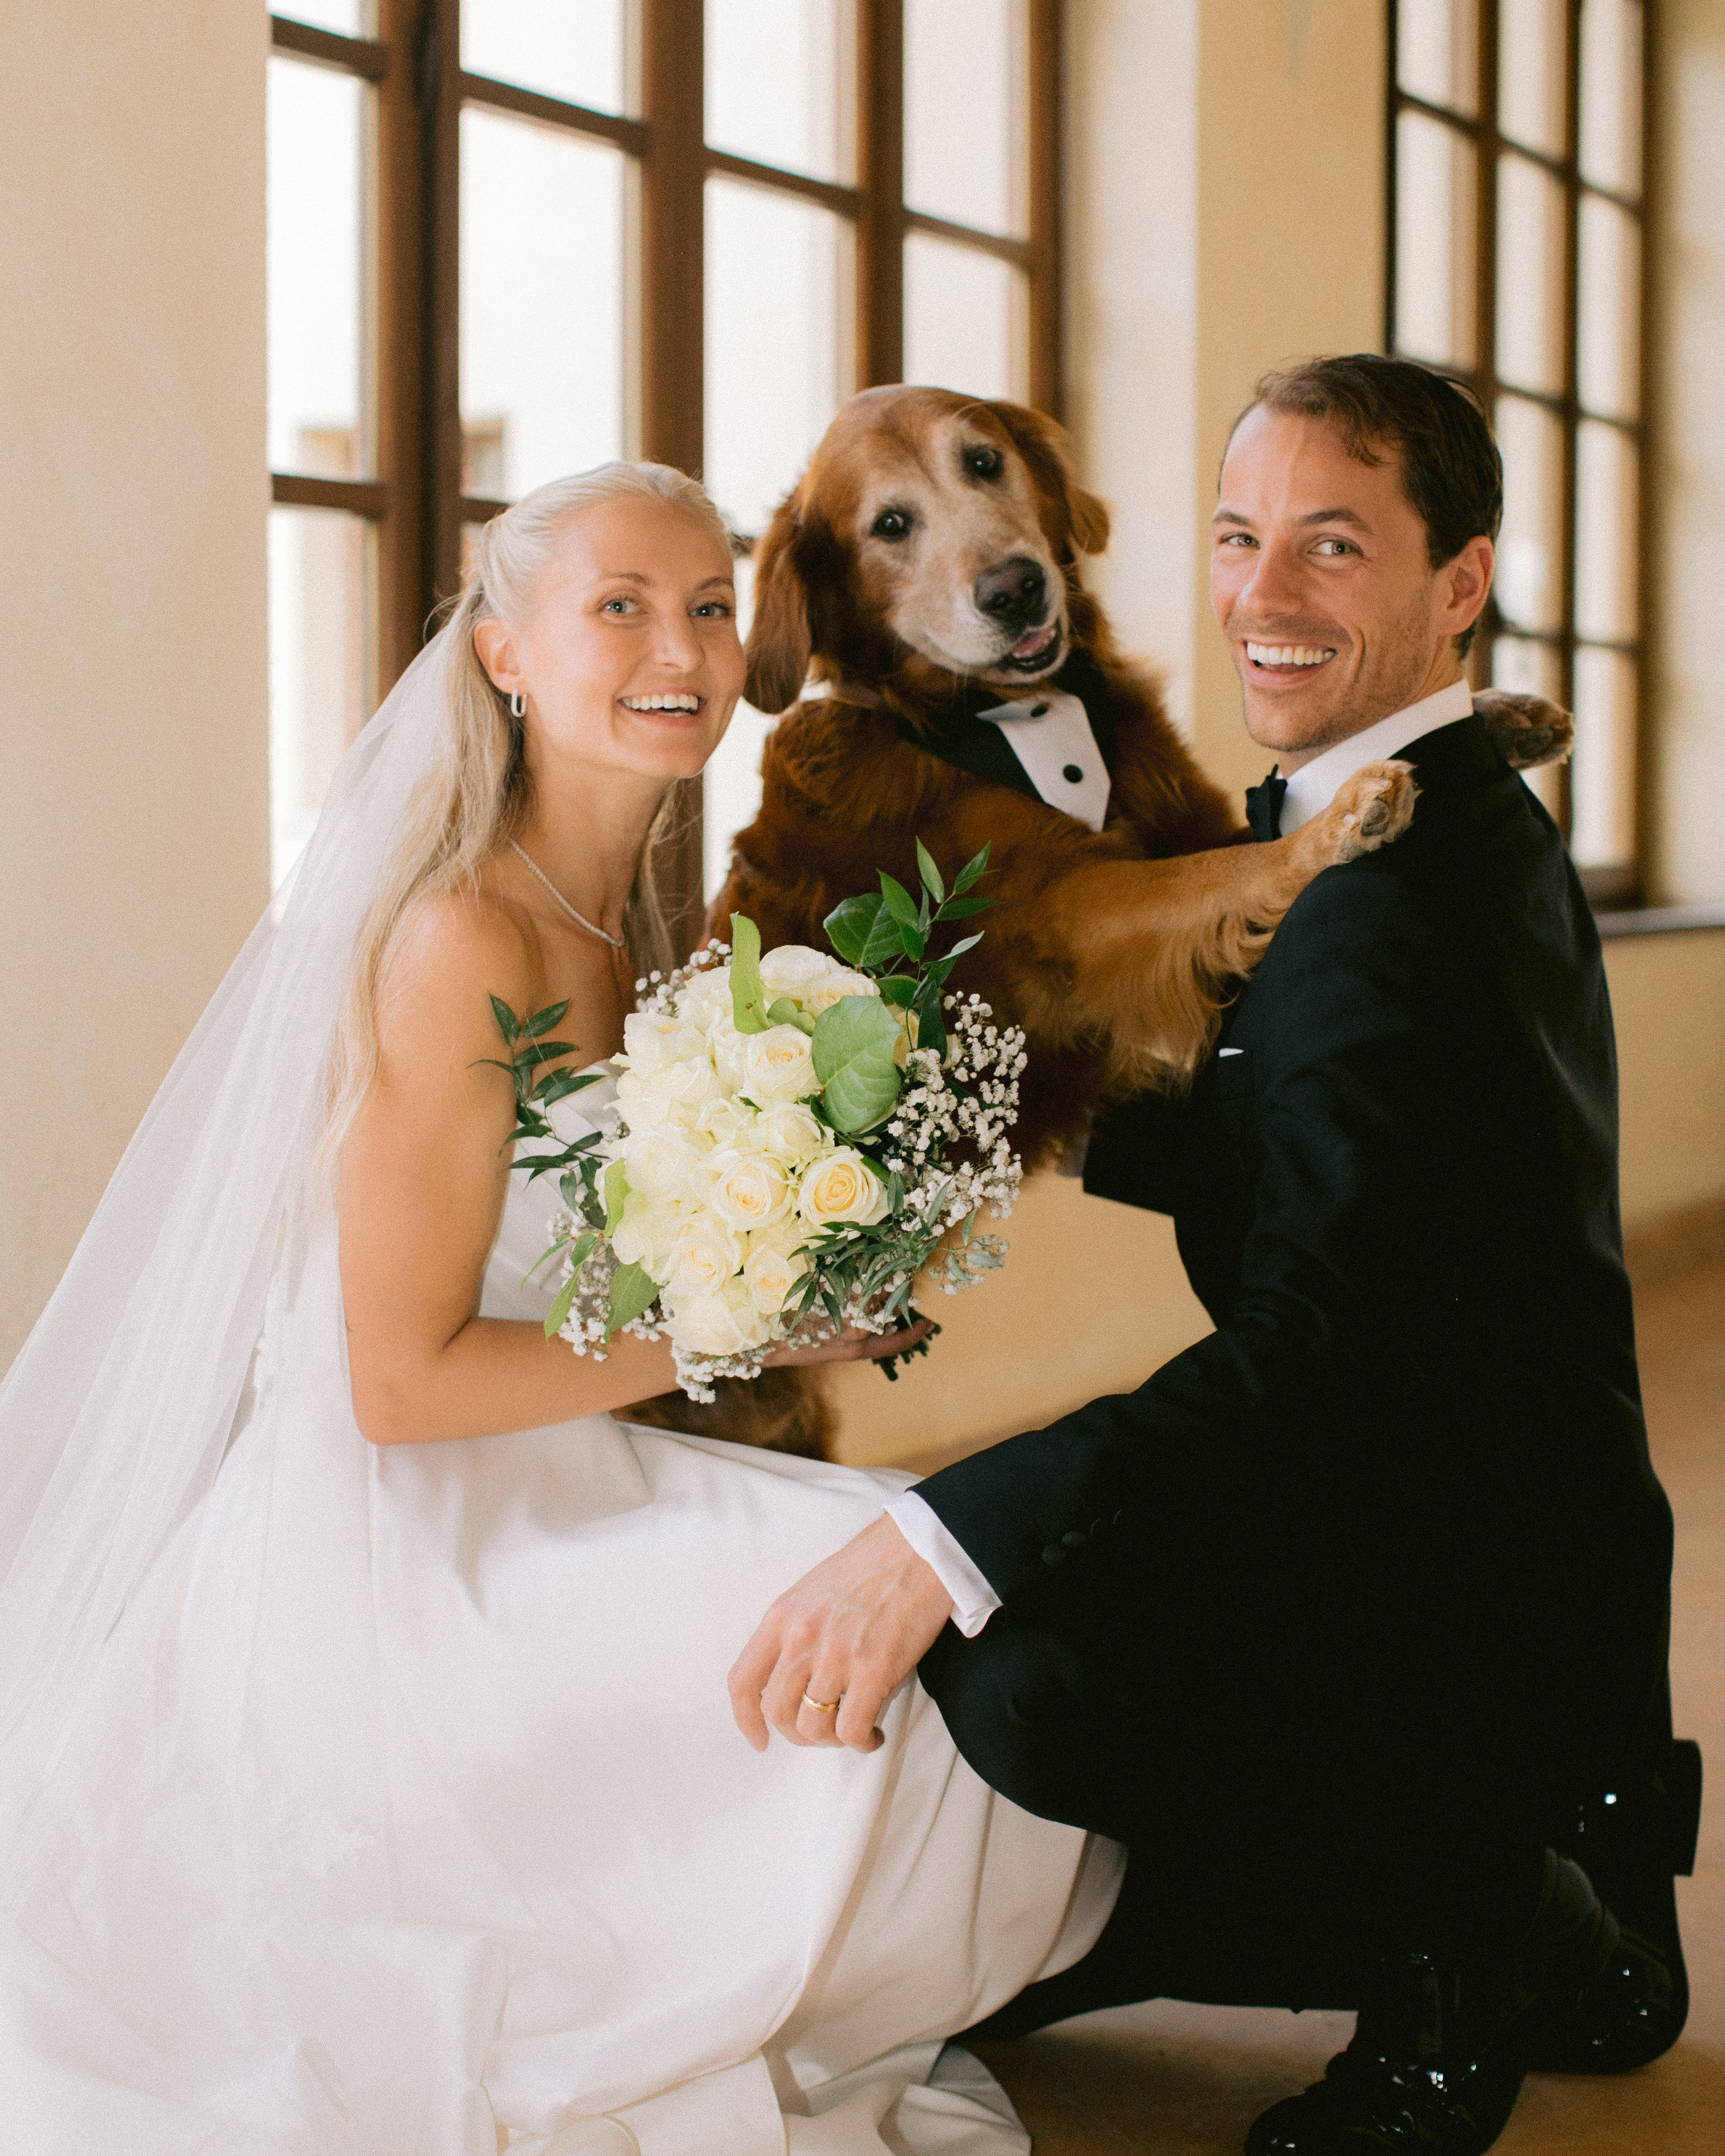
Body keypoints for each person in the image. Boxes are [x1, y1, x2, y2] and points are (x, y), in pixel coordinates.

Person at [0, 463, 1126, 2155]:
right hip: (400, 1561)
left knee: (932, 1562)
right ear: (507, 652)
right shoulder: (459, 935)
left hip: (550, 1483)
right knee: (919, 1630)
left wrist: (812, 1252)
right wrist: (746, 1331)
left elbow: (598, 1244)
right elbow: (389, 1384)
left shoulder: (638, 914)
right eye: (620, 606)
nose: (679, 645)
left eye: (703, 605)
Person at [730, 356, 1693, 2156]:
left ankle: (1481, 1928)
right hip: (1482, 1500)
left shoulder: (1371, 890)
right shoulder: (1455, 814)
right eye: (1244, 538)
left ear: (1458, 584)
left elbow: (1312, 1349)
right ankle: (1380, 1891)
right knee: (998, 1898)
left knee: (1017, 1670)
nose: (1262, 593)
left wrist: (947, 1533)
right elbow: (1270, 1123)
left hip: (1438, 1547)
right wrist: (930, 1115)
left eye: (1334, 547)